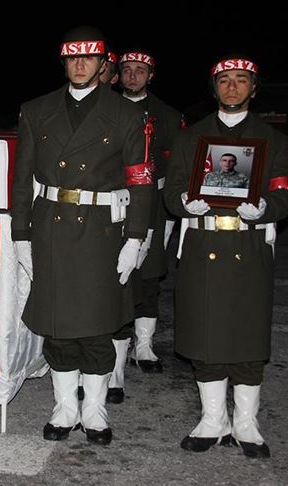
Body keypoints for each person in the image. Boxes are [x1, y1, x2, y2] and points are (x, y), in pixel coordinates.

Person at [11, 26, 151, 445]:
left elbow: (140, 180)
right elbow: (22, 179)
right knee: (57, 327)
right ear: (63, 62)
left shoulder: (127, 114)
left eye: (88, 58)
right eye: (72, 58)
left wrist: (135, 238)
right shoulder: (36, 110)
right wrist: (21, 235)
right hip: (51, 228)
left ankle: (94, 408)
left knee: (96, 327)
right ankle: (64, 407)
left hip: (100, 233)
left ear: (104, 64)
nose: (79, 65)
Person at [164, 54, 288, 459]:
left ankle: (245, 423)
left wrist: (267, 208)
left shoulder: (274, 140)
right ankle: (212, 419)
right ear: (214, 88)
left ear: (254, 88)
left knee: (247, 337)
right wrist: (184, 202)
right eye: (225, 80)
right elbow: (171, 191)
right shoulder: (191, 138)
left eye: (241, 80)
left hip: (249, 246)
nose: (233, 87)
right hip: (203, 243)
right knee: (204, 335)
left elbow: (286, 194)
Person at [107, 49, 184, 398]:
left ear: (151, 76)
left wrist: (169, 214)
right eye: (127, 70)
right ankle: (113, 360)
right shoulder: (106, 108)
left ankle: (144, 345)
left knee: (150, 275)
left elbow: (177, 168)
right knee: (119, 278)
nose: (133, 76)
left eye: (140, 70)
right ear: (117, 74)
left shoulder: (168, 115)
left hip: (154, 204)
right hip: (114, 203)